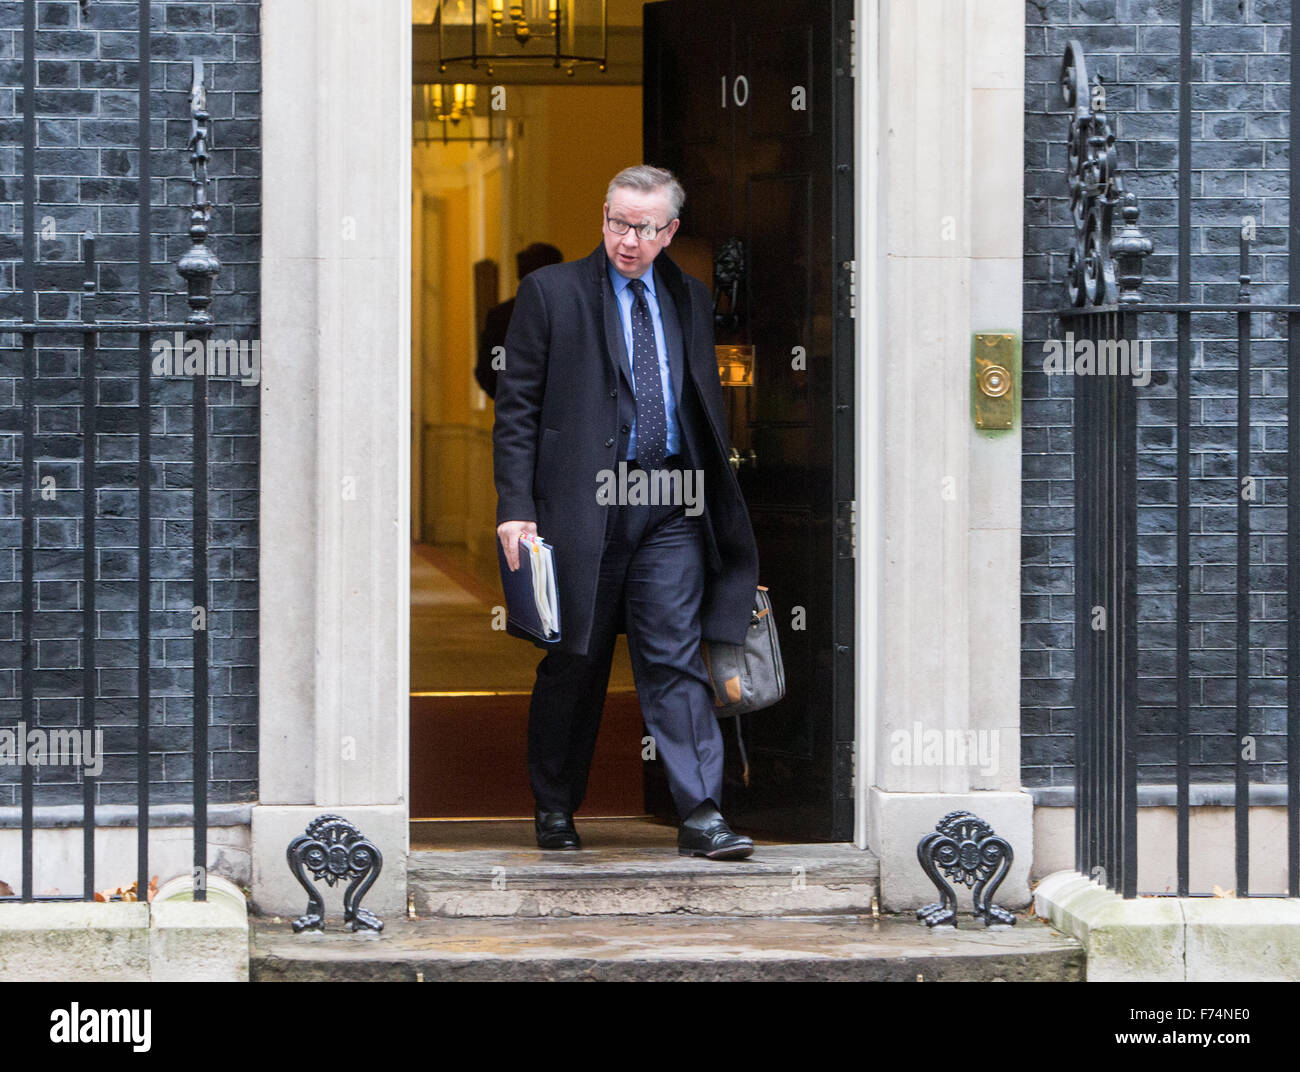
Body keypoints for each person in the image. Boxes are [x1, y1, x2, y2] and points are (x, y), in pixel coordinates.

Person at [493, 164, 760, 860]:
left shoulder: (690, 299)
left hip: (669, 502)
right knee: (573, 662)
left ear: (669, 231)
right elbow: (517, 409)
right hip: (584, 504)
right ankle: (554, 806)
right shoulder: (550, 294)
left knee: (673, 657)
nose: (626, 239)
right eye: (616, 222)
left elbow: (699, 405)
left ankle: (700, 812)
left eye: (642, 227)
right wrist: (516, 508)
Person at [475, 242, 564, 399]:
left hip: (519, 406)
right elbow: (494, 366)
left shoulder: (502, 316)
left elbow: (494, 367)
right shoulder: (570, 313)